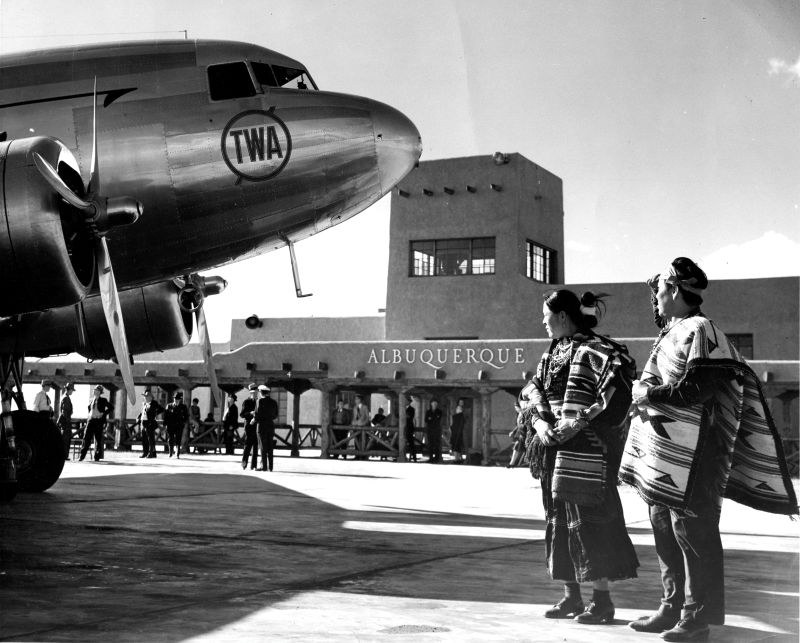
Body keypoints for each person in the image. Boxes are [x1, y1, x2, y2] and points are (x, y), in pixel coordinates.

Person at [619, 258, 798, 641]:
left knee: (693, 533)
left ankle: (696, 618)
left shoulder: (702, 329)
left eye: (662, 291)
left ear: (677, 292)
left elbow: (696, 390)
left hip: (697, 454)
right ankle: (670, 608)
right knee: (664, 527)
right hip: (668, 455)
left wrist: (647, 393)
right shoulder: (674, 332)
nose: (657, 298)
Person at [518, 289, 638, 624]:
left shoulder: (598, 350)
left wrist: (578, 421)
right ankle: (571, 596)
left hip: (586, 449)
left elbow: (614, 393)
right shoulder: (551, 352)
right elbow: (533, 389)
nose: (543, 322)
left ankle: (602, 601)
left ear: (561, 316)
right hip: (553, 447)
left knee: (590, 522)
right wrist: (541, 423)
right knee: (557, 519)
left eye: (546, 316)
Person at [80, 385, 113, 461]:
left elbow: (111, 407)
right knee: (86, 438)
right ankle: (82, 456)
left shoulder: (103, 400)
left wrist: (103, 413)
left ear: (100, 392)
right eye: (94, 390)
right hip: (91, 421)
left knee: (98, 439)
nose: (95, 391)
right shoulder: (92, 400)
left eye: (97, 390)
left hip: (98, 421)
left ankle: (97, 457)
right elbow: (89, 409)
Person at [255, 384, 279, 471]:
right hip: (270, 425)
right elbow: (275, 415)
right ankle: (271, 467)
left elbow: (257, 414)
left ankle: (264, 466)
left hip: (261, 426)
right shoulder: (274, 402)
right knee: (270, 447)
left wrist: (254, 419)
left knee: (262, 447)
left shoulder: (259, 401)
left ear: (261, 392)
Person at [137, 390, 164, 459]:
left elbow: (161, 409)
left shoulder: (154, 403)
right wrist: (138, 417)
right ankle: (145, 452)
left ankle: (151, 453)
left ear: (150, 397)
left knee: (150, 439)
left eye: (146, 397)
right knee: (144, 439)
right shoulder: (144, 404)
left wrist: (155, 414)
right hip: (143, 423)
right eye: (145, 397)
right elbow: (142, 412)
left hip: (150, 423)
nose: (145, 398)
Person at [164, 391, 189, 458]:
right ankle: (170, 452)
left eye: (178, 399)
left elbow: (186, 416)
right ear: (173, 399)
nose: (176, 400)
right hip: (170, 425)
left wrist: (183, 422)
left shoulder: (183, 407)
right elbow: (165, 416)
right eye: (175, 399)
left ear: (180, 400)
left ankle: (177, 453)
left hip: (179, 425)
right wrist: (165, 424)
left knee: (178, 439)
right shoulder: (169, 406)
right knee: (170, 439)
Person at [240, 383, 258, 470]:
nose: (255, 394)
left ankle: (253, 465)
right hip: (248, 425)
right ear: (250, 393)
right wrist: (250, 413)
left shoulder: (258, 401)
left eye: (256, 392)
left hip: (256, 426)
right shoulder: (246, 402)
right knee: (248, 445)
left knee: (255, 445)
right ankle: (244, 462)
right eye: (253, 392)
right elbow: (242, 414)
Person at [57, 382, 75, 460]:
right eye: (71, 390)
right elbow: (65, 412)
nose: (72, 392)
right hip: (66, 421)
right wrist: (68, 421)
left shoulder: (65, 397)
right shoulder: (66, 398)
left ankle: (64, 455)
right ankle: (64, 455)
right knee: (66, 440)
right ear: (68, 390)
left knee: (65, 439)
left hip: (64, 421)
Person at [450, 399, 465, 464]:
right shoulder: (455, 416)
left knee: (457, 446)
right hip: (455, 432)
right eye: (457, 408)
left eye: (460, 409)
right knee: (455, 445)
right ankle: (457, 459)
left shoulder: (461, 416)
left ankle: (457, 459)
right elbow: (452, 424)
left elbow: (461, 424)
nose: (458, 409)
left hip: (459, 433)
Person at [405, 396, 417, 462]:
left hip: (409, 427)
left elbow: (409, 417)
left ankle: (414, 457)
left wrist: (404, 414)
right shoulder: (402, 408)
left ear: (409, 402)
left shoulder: (412, 409)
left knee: (411, 442)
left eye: (407, 401)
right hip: (403, 427)